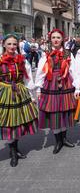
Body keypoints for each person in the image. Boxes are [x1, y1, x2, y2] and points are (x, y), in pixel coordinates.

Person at [35, 29, 79, 154]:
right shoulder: (46, 53)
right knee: (54, 111)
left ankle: (64, 138)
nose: (55, 40)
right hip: (50, 84)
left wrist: (76, 86)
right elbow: (41, 71)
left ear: (63, 39)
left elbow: (73, 70)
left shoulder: (67, 53)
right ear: (50, 39)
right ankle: (58, 141)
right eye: (53, 37)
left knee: (65, 111)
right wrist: (38, 88)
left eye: (58, 37)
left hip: (65, 83)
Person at [0, 34, 38, 167]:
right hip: (4, 93)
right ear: (3, 44)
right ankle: (13, 152)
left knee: (18, 123)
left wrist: (32, 96)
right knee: (9, 123)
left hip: (20, 92)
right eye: (9, 44)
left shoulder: (22, 60)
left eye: (14, 44)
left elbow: (28, 79)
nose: (12, 47)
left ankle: (15, 149)